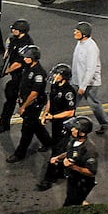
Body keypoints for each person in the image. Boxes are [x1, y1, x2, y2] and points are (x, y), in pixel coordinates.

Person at [6, 45, 51, 163]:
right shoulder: (28, 67)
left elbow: (34, 94)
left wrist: (23, 106)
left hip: (33, 105)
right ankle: (48, 142)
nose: (24, 59)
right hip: (26, 101)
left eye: (27, 57)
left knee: (27, 131)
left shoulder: (38, 74)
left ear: (33, 58)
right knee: (35, 124)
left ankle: (19, 154)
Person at [36, 63, 77, 191]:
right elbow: (50, 101)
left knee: (57, 152)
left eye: (57, 74)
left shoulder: (68, 92)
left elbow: (70, 112)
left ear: (64, 77)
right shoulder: (54, 86)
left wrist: (52, 117)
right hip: (56, 124)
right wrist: (45, 114)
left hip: (65, 125)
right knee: (56, 146)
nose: (55, 76)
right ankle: (61, 172)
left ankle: (48, 179)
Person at [71, 21, 108, 134]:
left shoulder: (91, 48)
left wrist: (83, 86)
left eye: (77, 31)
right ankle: (69, 124)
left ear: (84, 34)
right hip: (77, 80)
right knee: (71, 102)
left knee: (93, 104)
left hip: (89, 83)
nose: (74, 33)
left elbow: (90, 69)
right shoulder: (80, 43)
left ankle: (106, 123)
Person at [0, 19, 34, 134]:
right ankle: (4, 124)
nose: (12, 30)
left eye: (15, 29)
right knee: (10, 100)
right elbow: (9, 52)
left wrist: (4, 72)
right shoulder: (15, 39)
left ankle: (32, 126)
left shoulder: (25, 44)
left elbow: (18, 63)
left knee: (19, 103)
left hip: (22, 78)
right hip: (16, 77)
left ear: (22, 31)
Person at [48, 117, 98, 206]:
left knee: (70, 203)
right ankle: (80, 202)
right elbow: (70, 152)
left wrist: (72, 166)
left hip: (82, 182)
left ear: (82, 133)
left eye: (75, 128)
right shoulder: (75, 140)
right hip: (73, 177)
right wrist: (58, 158)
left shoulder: (90, 149)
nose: (72, 129)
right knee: (73, 197)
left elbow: (91, 172)